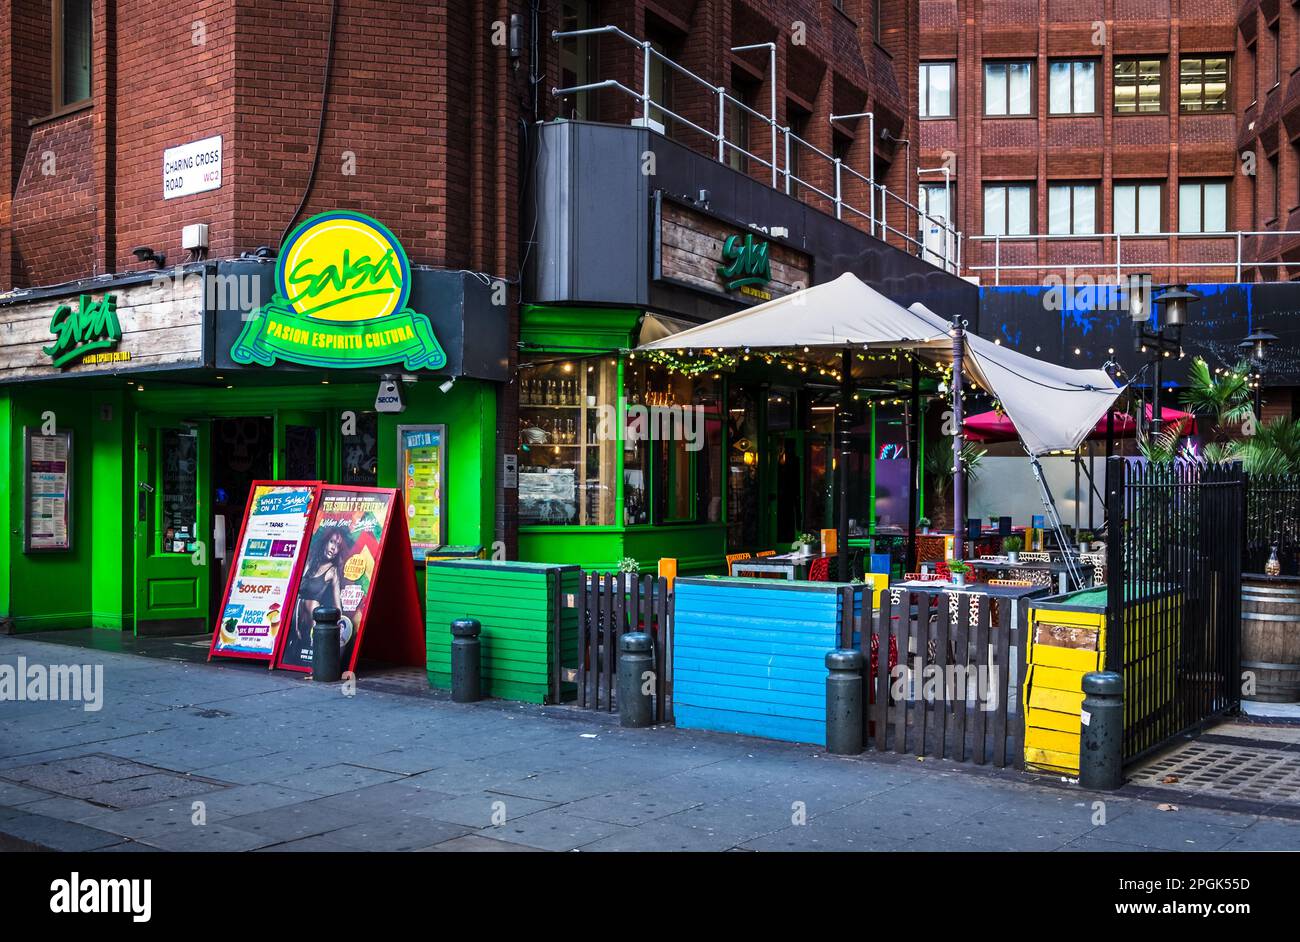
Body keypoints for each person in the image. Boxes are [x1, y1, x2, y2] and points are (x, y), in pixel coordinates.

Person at [292, 525, 349, 648]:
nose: (334, 548)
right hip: (294, 624)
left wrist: (339, 631)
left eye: (338, 546)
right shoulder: (310, 561)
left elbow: (337, 606)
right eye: (332, 542)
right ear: (325, 542)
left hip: (313, 628)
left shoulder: (332, 572)